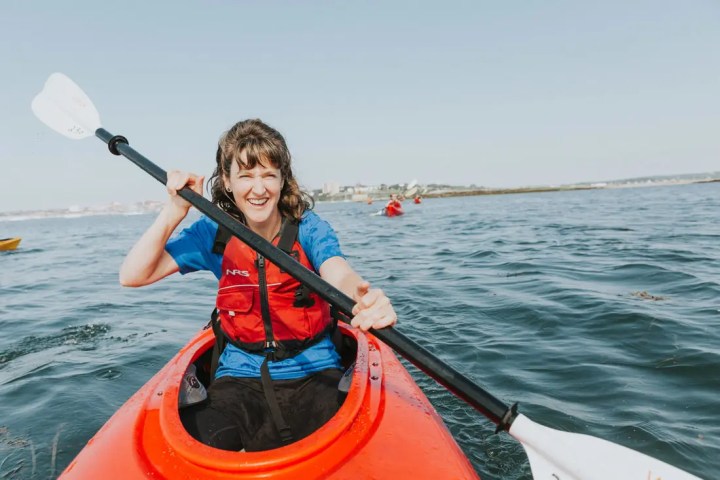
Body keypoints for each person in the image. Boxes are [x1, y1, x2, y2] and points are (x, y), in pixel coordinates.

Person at [119, 119, 397, 452]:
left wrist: (361, 298)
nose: (259, 188)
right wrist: (174, 211)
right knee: (196, 444)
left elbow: (338, 272)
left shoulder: (307, 227)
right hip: (239, 377)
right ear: (227, 181)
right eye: (246, 176)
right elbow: (133, 275)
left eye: (269, 175)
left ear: (283, 180)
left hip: (316, 370)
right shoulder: (214, 232)